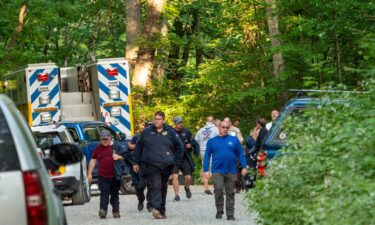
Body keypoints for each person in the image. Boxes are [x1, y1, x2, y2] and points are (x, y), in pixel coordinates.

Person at [133, 111, 184, 219]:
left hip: (166, 165)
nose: (157, 121)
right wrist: (135, 162)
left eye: (159, 119)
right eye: (155, 119)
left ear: (163, 120)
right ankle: (155, 208)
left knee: (163, 187)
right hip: (151, 164)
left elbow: (180, 147)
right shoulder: (146, 131)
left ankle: (162, 210)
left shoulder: (170, 132)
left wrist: (176, 163)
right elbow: (138, 147)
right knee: (156, 185)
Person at [203, 121, 247, 221]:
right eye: (223, 127)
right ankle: (219, 209)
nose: (225, 129)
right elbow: (207, 156)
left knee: (230, 192)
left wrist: (244, 166)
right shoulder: (212, 141)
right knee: (218, 189)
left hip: (231, 170)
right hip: (217, 170)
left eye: (227, 127)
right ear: (219, 127)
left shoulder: (234, 140)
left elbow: (241, 153)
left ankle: (230, 213)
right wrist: (206, 169)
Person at [87, 130, 127, 219]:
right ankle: (103, 210)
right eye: (102, 139)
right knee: (104, 193)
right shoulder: (97, 148)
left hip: (115, 176)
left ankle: (116, 211)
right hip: (103, 176)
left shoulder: (117, 146)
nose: (104, 141)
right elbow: (93, 160)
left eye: (106, 139)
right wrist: (89, 173)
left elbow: (127, 157)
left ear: (110, 138)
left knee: (114, 195)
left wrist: (119, 156)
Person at [171, 116, 200, 201]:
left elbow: (193, 142)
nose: (180, 124)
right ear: (175, 124)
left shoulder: (186, 132)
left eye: (181, 122)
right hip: (174, 158)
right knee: (174, 176)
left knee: (188, 177)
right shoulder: (171, 132)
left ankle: (187, 187)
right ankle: (176, 195)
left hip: (185, 157)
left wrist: (190, 145)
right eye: (178, 123)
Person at [128, 121, 153, 212]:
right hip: (139, 164)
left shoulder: (155, 137)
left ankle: (150, 204)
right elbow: (130, 146)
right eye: (147, 126)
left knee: (151, 185)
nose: (149, 128)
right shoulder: (138, 137)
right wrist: (139, 146)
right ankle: (141, 200)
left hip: (151, 164)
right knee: (139, 186)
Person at [195, 116, 219, 194]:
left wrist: (199, 149)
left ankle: (206, 189)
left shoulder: (200, 130)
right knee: (214, 168)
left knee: (205, 168)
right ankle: (216, 188)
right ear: (212, 121)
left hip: (203, 151)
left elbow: (195, 141)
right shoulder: (216, 129)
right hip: (213, 151)